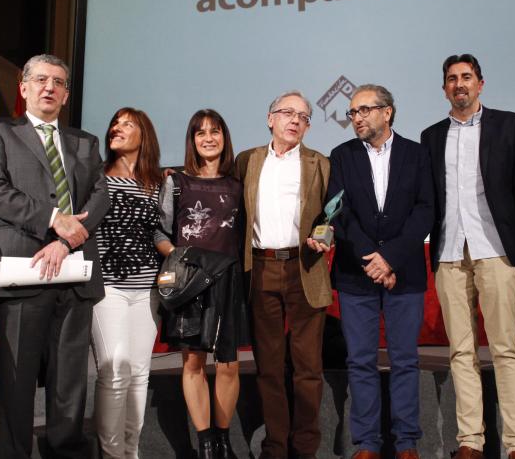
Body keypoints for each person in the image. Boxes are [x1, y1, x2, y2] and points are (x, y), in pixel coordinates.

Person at [0, 54, 109, 458]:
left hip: (74, 271)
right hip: (22, 270)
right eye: (40, 80)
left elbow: (99, 197)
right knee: (16, 383)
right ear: (24, 87)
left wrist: (66, 240)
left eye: (58, 82)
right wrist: (54, 219)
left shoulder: (84, 142)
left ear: (67, 93)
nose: (49, 87)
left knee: (69, 381)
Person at [419, 54, 515, 459]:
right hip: (450, 252)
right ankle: (471, 441)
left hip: (495, 249)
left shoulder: (509, 125)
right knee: (460, 352)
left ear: (480, 84)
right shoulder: (431, 136)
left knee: (505, 347)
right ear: (444, 88)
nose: (459, 84)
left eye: (466, 77)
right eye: (451, 79)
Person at [312, 84, 433, 459]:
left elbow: (426, 209)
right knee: (360, 360)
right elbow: (338, 213)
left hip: (404, 273)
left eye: (364, 110)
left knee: (404, 359)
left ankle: (407, 441)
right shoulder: (342, 155)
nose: (356, 118)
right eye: (352, 112)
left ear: (387, 112)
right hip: (355, 273)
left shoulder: (416, 154)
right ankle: (366, 443)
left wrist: (391, 259)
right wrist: (373, 259)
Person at [234, 91, 332, 459]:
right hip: (260, 268)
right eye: (287, 113)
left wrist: (324, 235)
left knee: (308, 367)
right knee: (270, 367)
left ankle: (305, 447)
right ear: (269, 118)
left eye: (304, 116)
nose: (295, 120)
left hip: (304, 266)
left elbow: (330, 217)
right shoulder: (247, 161)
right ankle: (276, 446)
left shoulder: (319, 163)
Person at [155, 109, 250, 459]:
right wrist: (182, 257)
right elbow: (161, 232)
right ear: (192, 140)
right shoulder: (176, 182)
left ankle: (223, 440)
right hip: (191, 283)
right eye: (200, 133)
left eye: (215, 131)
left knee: (228, 365)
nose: (208, 138)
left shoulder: (238, 186)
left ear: (224, 137)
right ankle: (206, 443)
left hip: (229, 281)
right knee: (192, 364)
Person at [91, 107, 164, 458]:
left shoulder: (159, 183)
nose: (116, 128)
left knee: (139, 374)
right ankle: (111, 453)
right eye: (114, 123)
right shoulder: (96, 176)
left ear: (143, 135)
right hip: (108, 288)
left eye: (127, 124)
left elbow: (161, 233)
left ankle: (130, 452)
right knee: (114, 371)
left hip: (147, 290)